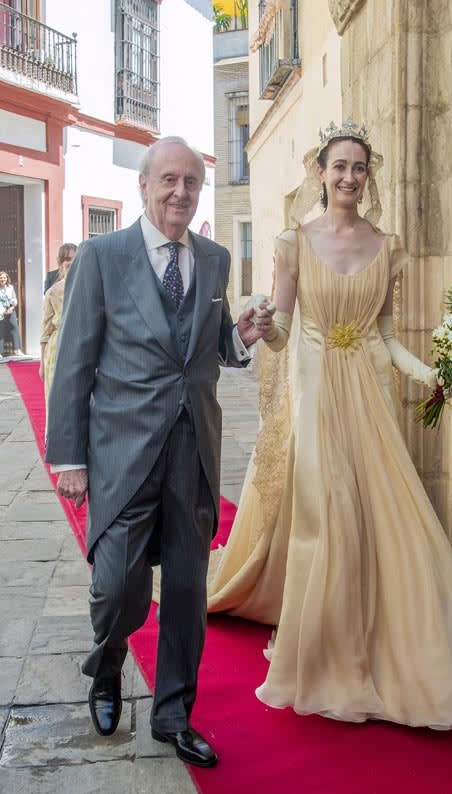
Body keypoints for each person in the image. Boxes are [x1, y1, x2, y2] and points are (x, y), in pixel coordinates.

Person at [207, 120, 452, 728]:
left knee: (386, 514)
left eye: (359, 168)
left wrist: (432, 375)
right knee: (329, 511)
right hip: (315, 398)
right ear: (320, 173)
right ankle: (323, 655)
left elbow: (385, 335)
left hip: (367, 397)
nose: (348, 177)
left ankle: (389, 648)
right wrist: (262, 329)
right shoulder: (293, 243)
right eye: (339, 166)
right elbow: (285, 330)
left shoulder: (388, 245)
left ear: (369, 178)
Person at [45, 136, 273, 767]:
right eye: (168, 180)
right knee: (118, 586)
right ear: (144, 186)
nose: (179, 192)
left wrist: (238, 337)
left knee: (184, 593)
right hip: (121, 450)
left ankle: (173, 714)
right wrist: (69, 456)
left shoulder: (217, 258)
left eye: (191, 183)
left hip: (192, 451)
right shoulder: (102, 257)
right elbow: (73, 363)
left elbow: (204, 347)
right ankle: (107, 665)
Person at [39, 247, 76, 415]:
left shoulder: (89, 287)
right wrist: (41, 364)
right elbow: (45, 331)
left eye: (74, 258)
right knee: (55, 399)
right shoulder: (52, 292)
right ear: (60, 264)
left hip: (79, 346)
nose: (70, 262)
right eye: (67, 259)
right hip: (56, 350)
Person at [0, 270, 25, 359]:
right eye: (1, 278)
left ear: (7, 279)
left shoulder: (10, 287)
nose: (3, 279)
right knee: (1, 332)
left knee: (14, 329)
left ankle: (17, 350)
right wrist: (3, 311)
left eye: (4, 277)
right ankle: (0, 352)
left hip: (11, 311)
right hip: (1, 313)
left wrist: (11, 308)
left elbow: (14, 299)